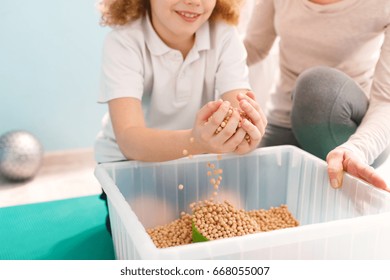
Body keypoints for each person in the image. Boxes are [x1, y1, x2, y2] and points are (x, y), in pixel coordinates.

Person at [94, 0, 267, 233]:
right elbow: (129, 139)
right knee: (158, 225)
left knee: (225, 220)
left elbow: (239, 109)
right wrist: (195, 141)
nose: (194, 2)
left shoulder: (224, 35)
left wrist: (246, 133)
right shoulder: (124, 42)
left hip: (198, 161)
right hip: (133, 165)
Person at [244, 0, 390, 192]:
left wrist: (356, 149)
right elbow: (254, 47)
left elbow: (386, 99)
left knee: (315, 86)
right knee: (244, 191)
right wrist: (194, 40)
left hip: (354, 133)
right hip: (284, 122)